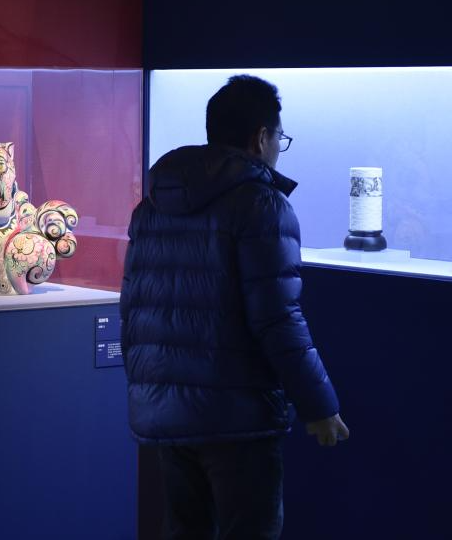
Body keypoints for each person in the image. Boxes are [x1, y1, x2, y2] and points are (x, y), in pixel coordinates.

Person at [120, 74, 349, 540]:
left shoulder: (153, 205)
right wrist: (319, 406)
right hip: (236, 419)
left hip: (166, 412)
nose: (279, 148)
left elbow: (133, 308)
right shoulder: (261, 205)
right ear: (261, 137)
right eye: (280, 138)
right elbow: (278, 318)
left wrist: (150, 390)